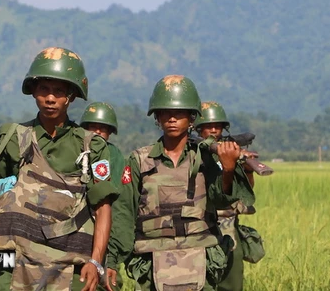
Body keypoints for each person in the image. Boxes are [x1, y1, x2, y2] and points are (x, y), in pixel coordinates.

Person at [0, 47, 119, 291]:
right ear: (33, 92)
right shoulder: (12, 137)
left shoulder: (91, 146)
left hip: (70, 259)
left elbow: (102, 208)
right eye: (43, 89)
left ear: (71, 96)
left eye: (58, 91)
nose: (50, 98)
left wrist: (96, 261)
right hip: (14, 256)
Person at [105, 75, 255, 291]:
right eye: (165, 112)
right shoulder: (139, 160)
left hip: (201, 259)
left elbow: (221, 201)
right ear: (157, 117)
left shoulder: (206, 158)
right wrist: (112, 261)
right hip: (151, 261)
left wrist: (229, 169)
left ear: (191, 118)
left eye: (179, 113)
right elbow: (124, 213)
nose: (172, 118)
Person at [194, 101, 255, 291]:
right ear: (198, 128)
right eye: (208, 126)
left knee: (231, 281)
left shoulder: (230, 151)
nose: (213, 130)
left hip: (228, 226)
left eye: (217, 126)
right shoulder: (193, 152)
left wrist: (247, 168)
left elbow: (245, 191)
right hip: (201, 226)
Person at [79, 102, 128, 291]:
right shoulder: (78, 150)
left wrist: (113, 258)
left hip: (103, 231)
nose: (97, 132)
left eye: (103, 128)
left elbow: (118, 206)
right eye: (92, 127)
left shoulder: (113, 155)